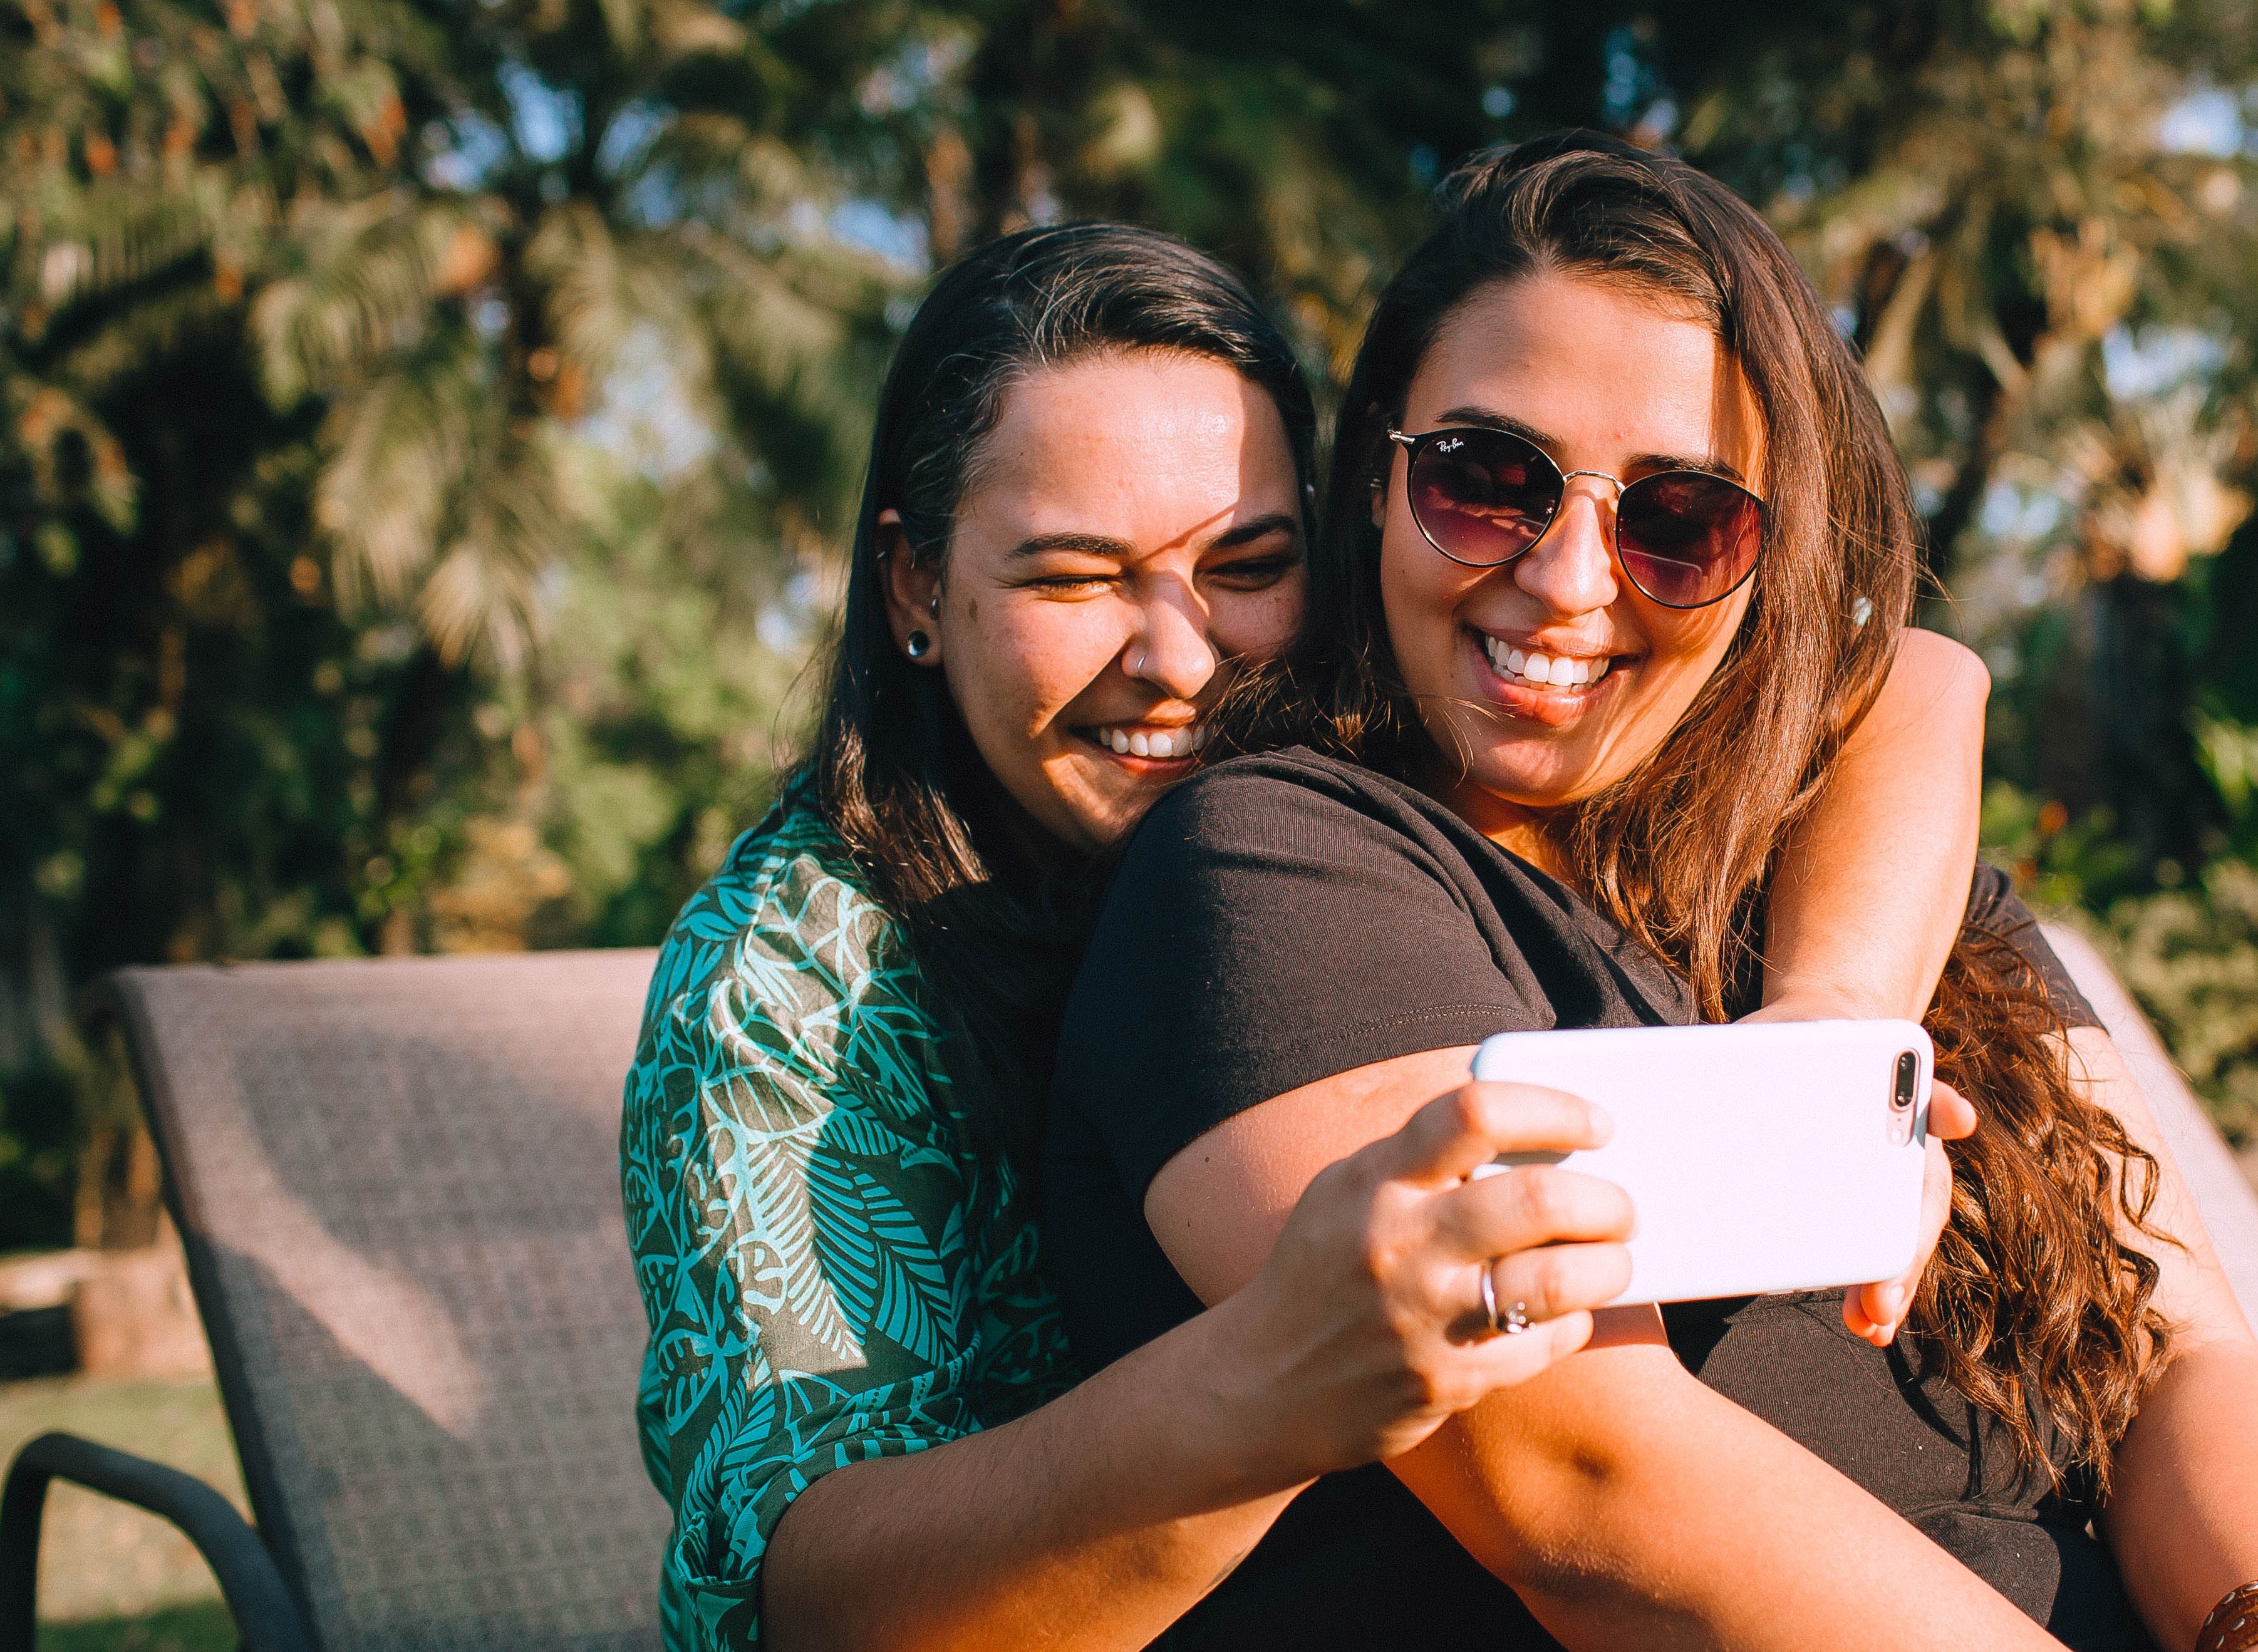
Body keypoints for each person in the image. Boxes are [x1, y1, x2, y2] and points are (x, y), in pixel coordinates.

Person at [624, 220, 1996, 1652]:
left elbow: (1904, 672)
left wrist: (1829, 1049)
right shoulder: (798, 985)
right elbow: (804, 1600)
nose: (1176, 657)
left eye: (1244, 560)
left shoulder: (1372, 769)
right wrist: (1257, 1387)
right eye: (1071, 577)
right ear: (914, 586)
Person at [1044, 133, 2258, 1651]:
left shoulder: (1873, 881)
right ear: (1375, 476)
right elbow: (1588, 1492)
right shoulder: (1267, 867)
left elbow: (2176, 1350)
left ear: (1772, 554)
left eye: (1678, 517)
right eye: (1484, 480)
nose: (1568, 578)